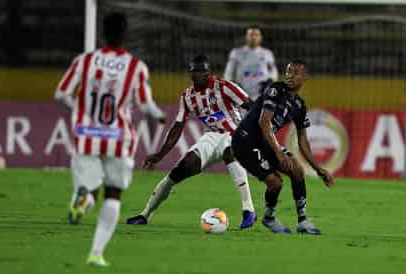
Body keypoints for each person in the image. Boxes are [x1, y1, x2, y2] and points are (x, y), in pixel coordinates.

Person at [54, 12, 165, 267]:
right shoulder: (136, 67)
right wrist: (159, 116)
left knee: (90, 187)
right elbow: (147, 106)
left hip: (86, 135)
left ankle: (83, 200)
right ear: (126, 34)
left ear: (103, 33)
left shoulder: (85, 61)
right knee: (113, 194)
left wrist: (80, 114)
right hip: (119, 137)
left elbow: (61, 93)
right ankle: (96, 253)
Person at [126, 54, 257, 228]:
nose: (199, 74)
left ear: (208, 72)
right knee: (180, 170)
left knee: (230, 150)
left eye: (203, 71)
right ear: (191, 73)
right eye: (195, 71)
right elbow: (177, 126)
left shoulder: (225, 86)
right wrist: (160, 154)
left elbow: (252, 106)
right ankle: (145, 214)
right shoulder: (187, 96)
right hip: (211, 137)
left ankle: (248, 210)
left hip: (235, 133)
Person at [231, 60, 334, 235]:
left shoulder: (299, 105)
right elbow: (264, 123)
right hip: (245, 142)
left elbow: (303, 140)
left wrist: (318, 169)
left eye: (295, 73)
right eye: (288, 72)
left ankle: (303, 221)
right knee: (275, 182)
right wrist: (279, 153)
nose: (290, 76)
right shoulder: (275, 90)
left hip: (264, 143)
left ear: (304, 77)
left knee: (297, 170)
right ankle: (269, 218)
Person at [224, 26, 278, 102]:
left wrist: (270, 82)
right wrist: (234, 87)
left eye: (256, 35)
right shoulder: (236, 52)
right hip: (243, 94)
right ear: (246, 37)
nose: (253, 37)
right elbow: (228, 73)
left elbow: (273, 72)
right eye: (251, 34)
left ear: (260, 37)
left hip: (261, 94)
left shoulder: (267, 53)